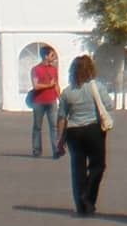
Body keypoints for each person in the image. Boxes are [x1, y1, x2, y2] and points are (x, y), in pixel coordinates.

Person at [56, 53, 115, 216]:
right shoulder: (98, 87)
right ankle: (88, 196)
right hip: (94, 129)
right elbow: (109, 105)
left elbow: (62, 117)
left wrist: (59, 139)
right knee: (98, 166)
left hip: (73, 132)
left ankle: (81, 206)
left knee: (78, 169)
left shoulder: (67, 92)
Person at [31, 45, 63, 158]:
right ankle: (37, 150)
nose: (54, 57)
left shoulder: (53, 69)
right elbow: (36, 86)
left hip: (51, 101)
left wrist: (60, 98)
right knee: (37, 127)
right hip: (38, 101)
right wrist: (49, 85)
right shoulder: (36, 69)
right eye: (52, 55)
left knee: (54, 126)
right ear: (45, 56)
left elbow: (56, 85)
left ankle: (56, 150)